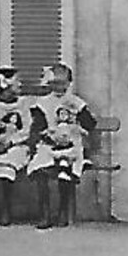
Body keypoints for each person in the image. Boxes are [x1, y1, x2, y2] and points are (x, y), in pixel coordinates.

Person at [29, 62, 97, 228]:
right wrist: (48, 136)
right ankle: (44, 213)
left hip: (71, 145)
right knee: (41, 170)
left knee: (65, 172)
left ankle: (63, 211)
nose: (59, 87)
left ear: (69, 83)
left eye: (63, 83)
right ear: (50, 84)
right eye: (56, 83)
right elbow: (38, 126)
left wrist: (76, 125)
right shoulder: (42, 102)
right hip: (50, 144)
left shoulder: (75, 102)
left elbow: (90, 124)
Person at [0, 67, 37, 225]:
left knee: (6, 166)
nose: (20, 84)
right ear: (6, 85)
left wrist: (11, 142)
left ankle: (5, 210)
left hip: (15, 146)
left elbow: (26, 130)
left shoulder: (22, 104)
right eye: (17, 81)